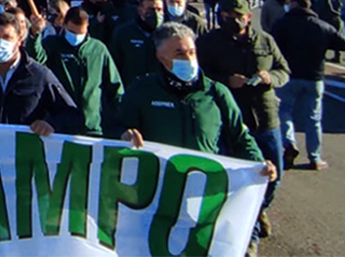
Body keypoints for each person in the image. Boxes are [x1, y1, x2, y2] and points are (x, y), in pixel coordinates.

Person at [117, 22, 276, 257]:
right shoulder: (142, 91)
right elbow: (117, 127)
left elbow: (240, 137)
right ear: (161, 57)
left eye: (191, 52)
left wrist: (258, 165)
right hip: (157, 199)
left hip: (203, 199)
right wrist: (124, 135)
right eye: (179, 53)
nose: (188, 59)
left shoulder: (216, 93)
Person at [197, 0, 289, 244]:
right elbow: (199, 74)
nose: (233, 21)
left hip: (264, 116)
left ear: (248, 17)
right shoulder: (208, 42)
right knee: (235, 176)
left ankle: (258, 210)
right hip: (229, 118)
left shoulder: (265, 41)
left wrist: (270, 77)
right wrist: (226, 80)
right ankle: (245, 232)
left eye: (238, 17)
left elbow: (283, 69)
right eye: (227, 16)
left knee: (274, 174)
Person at [0, 12, 81, 135]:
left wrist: (51, 124)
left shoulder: (39, 76)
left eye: (7, 37)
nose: (0, 42)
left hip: (24, 152)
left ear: (19, 39)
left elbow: (71, 115)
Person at [271, 0, 345, 171]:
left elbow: (271, 46)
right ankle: (315, 157)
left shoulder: (282, 25)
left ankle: (288, 142)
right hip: (314, 76)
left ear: (293, 4)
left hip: (289, 76)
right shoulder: (321, 26)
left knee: (283, 111)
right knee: (313, 118)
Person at [41, 7, 123, 137]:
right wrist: (34, 36)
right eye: (72, 32)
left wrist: (122, 123)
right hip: (58, 125)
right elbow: (38, 57)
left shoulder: (98, 49)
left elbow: (114, 86)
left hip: (91, 126)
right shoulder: (51, 44)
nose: (76, 37)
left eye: (81, 32)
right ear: (64, 25)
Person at [110, 0, 164, 86]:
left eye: (159, 10)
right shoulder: (123, 33)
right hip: (131, 88)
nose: (155, 13)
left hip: (160, 90)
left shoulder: (168, 34)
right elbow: (114, 64)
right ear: (140, 11)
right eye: (150, 10)